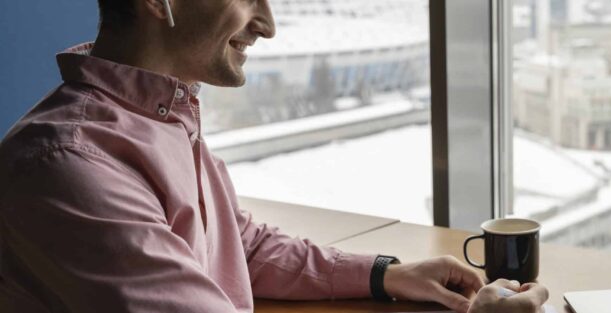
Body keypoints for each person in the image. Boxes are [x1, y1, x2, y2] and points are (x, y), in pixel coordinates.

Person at [0, 1, 548, 312]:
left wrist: (389, 274)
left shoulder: (159, 116)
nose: (266, 24)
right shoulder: (69, 165)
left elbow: (240, 244)